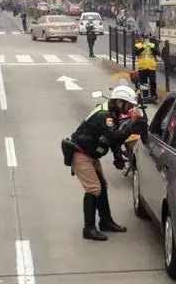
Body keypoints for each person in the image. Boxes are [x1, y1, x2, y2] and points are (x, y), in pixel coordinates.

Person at [67, 86, 145, 241]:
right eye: (128, 105)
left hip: (91, 154)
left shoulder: (113, 113)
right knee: (93, 189)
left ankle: (105, 221)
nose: (130, 109)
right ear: (119, 102)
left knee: (102, 186)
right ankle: (88, 228)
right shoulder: (104, 116)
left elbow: (111, 139)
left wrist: (118, 156)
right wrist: (133, 122)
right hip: (80, 153)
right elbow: (115, 136)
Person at [132, 33, 159, 100]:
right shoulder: (137, 45)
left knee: (153, 82)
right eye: (143, 38)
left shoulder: (152, 45)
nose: (145, 39)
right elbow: (136, 52)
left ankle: (153, 96)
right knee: (144, 83)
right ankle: (145, 96)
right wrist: (144, 47)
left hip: (151, 67)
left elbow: (157, 52)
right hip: (142, 67)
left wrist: (150, 46)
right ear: (141, 38)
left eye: (146, 38)